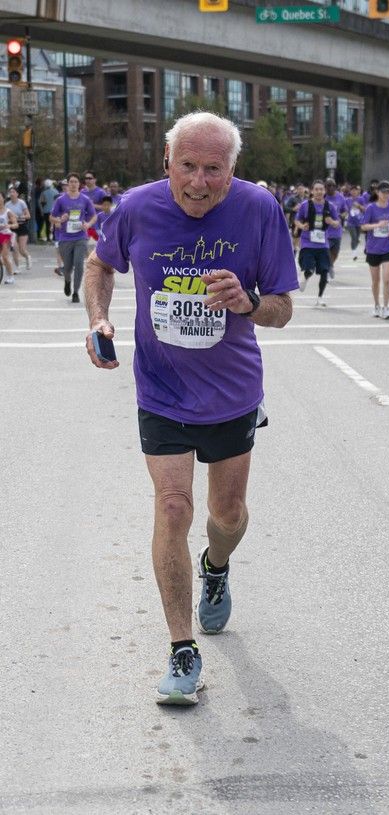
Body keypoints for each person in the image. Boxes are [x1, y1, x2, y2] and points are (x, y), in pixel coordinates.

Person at [84, 111, 297, 706]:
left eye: (214, 169)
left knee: (225, 515)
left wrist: (250, 303)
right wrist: (97, 317)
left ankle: (217, 564)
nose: (199, 182)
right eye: (188, 166)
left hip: (232, 393)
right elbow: (100, 264)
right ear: (167, 164)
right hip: (162, 389)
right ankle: (182, 648)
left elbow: (283, 307)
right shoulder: (137, 208)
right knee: (173, 506)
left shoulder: (258, 210)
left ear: (233, 170)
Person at [50, 172, 96, 303]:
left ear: (79, 184)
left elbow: (94, 216)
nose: (73, 184)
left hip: (80, 237)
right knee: (68, 267)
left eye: (76, 181)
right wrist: (59, 219)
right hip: (65, 238)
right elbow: (51, 217)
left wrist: (88, 224)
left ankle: (75, 292)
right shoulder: (61, 200)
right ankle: (67, 281)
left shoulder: (85, 200)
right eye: (71, 182)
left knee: (79, 265)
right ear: (68, 184)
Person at [294, 180, 340, 307]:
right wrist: (302, 226)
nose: (319, 191)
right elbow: (297, 221)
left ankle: (320, 297)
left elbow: (337, 223)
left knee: (324, 271)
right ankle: (304, 276)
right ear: (312, 191)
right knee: (308, 268)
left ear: (324, 191)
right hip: (308, 242)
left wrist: (331, 222)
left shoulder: (330, 206)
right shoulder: (305, 205)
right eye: (317, 189)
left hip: (323, 243)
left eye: (321, 189)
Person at [361, 179, 389, 319]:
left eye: (388, 192)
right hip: (373, 248)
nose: (386, 195)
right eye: (384, 192)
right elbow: (364, 226)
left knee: (387, 279)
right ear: (377, 193)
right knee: (375, 281)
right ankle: (376, 305)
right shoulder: (371, 208)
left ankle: (386, 307)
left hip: (388, 248)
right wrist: (377, 225)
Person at [324, 177, 348, 278]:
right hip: (325, 230)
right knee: (327, 251)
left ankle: (330, 265)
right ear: (325, 187)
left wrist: (341, 216)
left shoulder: (340, 197)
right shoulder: (323, 197)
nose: (331, 187)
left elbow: (345, 211)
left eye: (333, 185)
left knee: (335, 252)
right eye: (328, 185)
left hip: (337, 230)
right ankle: (328, 267)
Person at [6, 186, 31, 270]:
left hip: (22, 226)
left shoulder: (21, 203)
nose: (12, 194)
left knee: (22, 249)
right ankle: (17, 267)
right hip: (12, 227)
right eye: (10, 192)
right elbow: (5, 217)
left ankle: (27, 257)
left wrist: (19, 217)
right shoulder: (7, 204)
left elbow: (28, 216)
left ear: (17, 194)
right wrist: (11, 219)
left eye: (13, 192)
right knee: (14, 248)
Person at [0, 192, 18, 284]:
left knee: (5, 256)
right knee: (2, 258)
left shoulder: (8, 212)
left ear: (3, 199)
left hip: (5, 235)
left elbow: (16, 224)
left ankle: (11, 277)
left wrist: (9, 225)